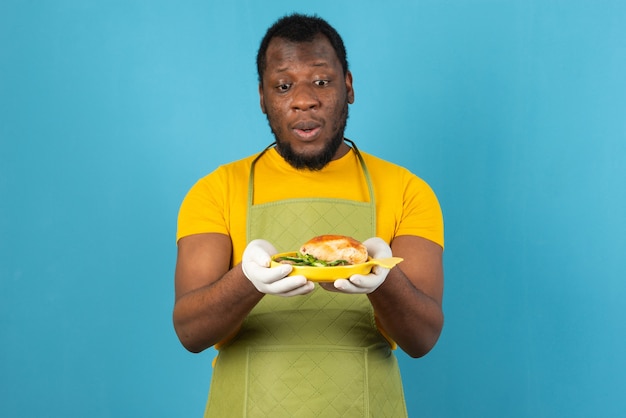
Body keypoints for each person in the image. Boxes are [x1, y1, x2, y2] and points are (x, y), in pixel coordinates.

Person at [173, 13, 444, 417]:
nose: (304, 99)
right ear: (263, 97)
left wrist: (383, 280)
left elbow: (423, 338)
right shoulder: (215, 190)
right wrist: (246, 280)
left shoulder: (407, 190)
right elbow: (190, 332)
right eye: (284, 86)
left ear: (348, 87)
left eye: (321, 81)